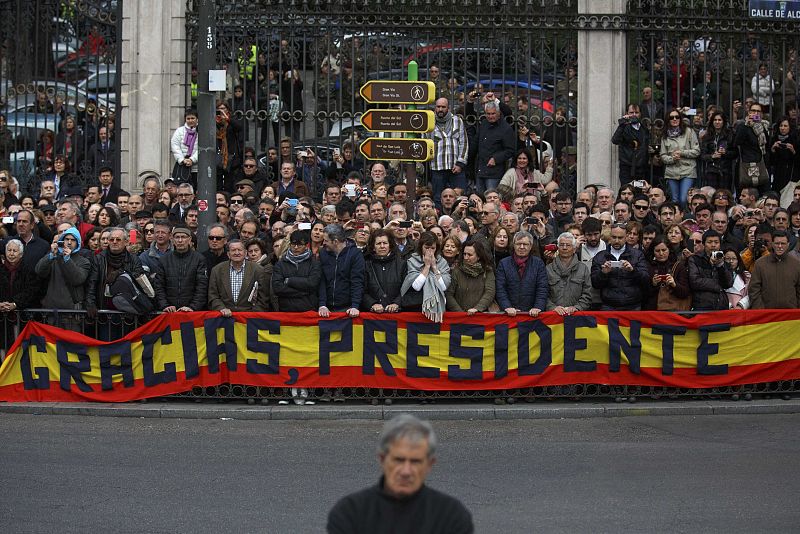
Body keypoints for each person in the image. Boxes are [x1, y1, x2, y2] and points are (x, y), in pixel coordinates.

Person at [326, 414, 473, 534]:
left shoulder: (452, 516)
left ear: (429, 465)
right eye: (398, 460)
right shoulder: (350, 513)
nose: (406, 471)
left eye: (415, 461)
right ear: (382, 459)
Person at [35, 227, 91, 327]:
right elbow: (39, 271)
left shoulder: (83, 262)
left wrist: (67, 259)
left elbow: (77, 279)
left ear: (78, 243)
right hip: (51, 312)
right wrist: (51, 255)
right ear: (62, 241)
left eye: (73, 240)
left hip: (72, 313)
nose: (69, 242)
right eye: (66, 239)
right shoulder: (53, 257)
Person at [590, 223, 650, 311]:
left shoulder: (637, 255)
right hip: (609, 305)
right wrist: (603, 273)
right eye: (614, 237)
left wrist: (633, 270)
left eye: (620, 238)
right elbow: (595, 284)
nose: (617, 241)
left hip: (633, 305)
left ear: (626, 237)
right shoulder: (600, 256)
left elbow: (646, 279)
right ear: (610, 237)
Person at [153, 225, 208, 313]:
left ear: (189, 239)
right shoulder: (164, 260)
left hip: (191, 311)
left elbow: (202, 287)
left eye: (183, 237)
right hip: (170, 311)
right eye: (177, 237)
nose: (180, 240)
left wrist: (193, 307)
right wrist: (165, 305)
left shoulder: (199, 259)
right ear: (172, 240)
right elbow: (159, 286)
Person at [208, 239, 270, 315]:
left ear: (245, 253)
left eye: (239, 250)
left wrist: (253, 314)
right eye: (233, 250)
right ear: (228, 254)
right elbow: (213, 295)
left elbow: (263, 298)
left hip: (249, 317)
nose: (237, 253)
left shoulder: (258, 270)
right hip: (224, 316)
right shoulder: (217, 270)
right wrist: (221, 308)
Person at [400, 231, 451, 322]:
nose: (430, 251)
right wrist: (427, 266)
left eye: (433, 248)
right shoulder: (412, 261)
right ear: (421, 247)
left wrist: (434, 267)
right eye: (427, 248)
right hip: (415, 308)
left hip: (436, 311)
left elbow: (443, 287)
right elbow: (416, 286)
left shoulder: (442, 262)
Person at [427, 97, 468, 207]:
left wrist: (460, 163)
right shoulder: (429, 122)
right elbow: (425, 142)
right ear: (435, 108)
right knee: (438, 198)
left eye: (443, 107)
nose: (440, 109)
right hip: (437, 167)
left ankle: (459, 216)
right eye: (438, 107)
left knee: (459, 197)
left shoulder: (457, 121)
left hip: (455, 167)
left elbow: (464, 143)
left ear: (448, 108)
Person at [495, 230, 548, 317]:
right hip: (509, 314)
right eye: (518, 244)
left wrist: (538, 307)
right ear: (514, 245)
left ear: (530, 246)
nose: (522, 247)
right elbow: (500, 288)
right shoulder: (503, 263)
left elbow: (542, 288)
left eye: (525, 244)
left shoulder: (538, 263)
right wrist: (507, 306)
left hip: (533, 314)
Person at [318, 224, 364, 318]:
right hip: (326, 308)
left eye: (326, 240)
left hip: (348, 308)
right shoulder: (323, 253)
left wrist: (355, 306)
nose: (323, 243)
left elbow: (357, 281)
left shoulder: (355, 254)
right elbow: (321, 280)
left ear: (335, 241)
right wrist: (322, 304)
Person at [0, 239, 39, 348]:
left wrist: (14, 304)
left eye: (14, 251)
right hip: (2, 318)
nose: (11, 253)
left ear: (21, 254)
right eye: (9, 250)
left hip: (20, 317)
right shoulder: (1, 269)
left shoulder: (28, 270)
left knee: (19, 347)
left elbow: (30, 291)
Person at [471, 100, 515, 192]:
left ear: (498, 113)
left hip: (494, 172)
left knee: (491, 196)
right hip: (480, 170)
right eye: (488, 114)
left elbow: (510, 150)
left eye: (493, 113)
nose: (490, 116)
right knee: (479, 196)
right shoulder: (484, 124)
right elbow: (475, 143)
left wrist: (496, 159)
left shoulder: (506, 128)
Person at [272, 229, 321, 312]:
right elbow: (277, 288)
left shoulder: (314, 263)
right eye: (293, 244)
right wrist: (304, 292)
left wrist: (289, 281)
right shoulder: (281, 264)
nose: (296, 247)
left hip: (309, 309)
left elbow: (312, 283)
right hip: (286, 310)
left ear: (306, 245)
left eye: (300, 245)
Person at [749, 230, 800, 308]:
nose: (780, 246)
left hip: (790, 313)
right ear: (772, 244)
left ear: (788, 244)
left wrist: (796, 310)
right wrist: (760, 310)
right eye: (777, 243)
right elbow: (754, 290)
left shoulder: (796, 264)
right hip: (767, 313)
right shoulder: (760, 264)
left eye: (783, 243)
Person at [660, 110, 700, 208]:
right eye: (671, 117)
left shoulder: (689, 132)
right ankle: (676, 217)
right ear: (668, 120)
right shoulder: (665, 135)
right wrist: (672, 159)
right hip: (671, 172)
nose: (674, 119)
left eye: (677, 117)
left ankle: (685, 215)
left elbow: (697, 151)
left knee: (683, 199)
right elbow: (663, 155)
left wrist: (682, 153)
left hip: (687, 170)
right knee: (674, 200)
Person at [545, 232, 592, 315]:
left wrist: (577, 307)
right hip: (553, 316)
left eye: (568, 245)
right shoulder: (548, 269)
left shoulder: (583, 269)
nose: (564, 248)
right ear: (557, 248)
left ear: (574, 249)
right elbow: (543, 293)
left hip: (576, 316)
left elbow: (587, 293)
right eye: (561, 245)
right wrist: (553, 307)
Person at [687, 229, 734, 311]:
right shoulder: (695, 259)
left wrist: (720, 266)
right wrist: (717, 285)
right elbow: (695, 281)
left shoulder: (725, 263)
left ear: (720, 244)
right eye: (710, 242)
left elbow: (728, 283)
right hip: (701, 305)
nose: (713, 245)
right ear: (704, 244)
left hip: (721, 305)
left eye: (716, 242)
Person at [445, 239, 496, 315]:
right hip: (459, 316)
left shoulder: (487, 271)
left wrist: (477, 308)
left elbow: (489, 292)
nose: (466, 257)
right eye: (464, 254)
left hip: (480, 315)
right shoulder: (457, 271)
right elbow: (449, 294)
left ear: (478, 256)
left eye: (469, 255)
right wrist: (461, 313)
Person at [362, 229, 406, 313]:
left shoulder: (402, 264)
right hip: (373, 315)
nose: (382, 246)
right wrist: (372, 304)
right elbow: (362, 290)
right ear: (373, 247)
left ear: (390, 245)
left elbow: (406, 289)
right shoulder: (366, 265)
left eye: (385, 243)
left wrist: (397, 303)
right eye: (378, 243)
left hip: (397, 314)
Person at [644, 236, 690, 311]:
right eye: (657, 251)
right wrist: (653, 284)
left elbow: (685, 293)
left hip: (673, 310)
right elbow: (643, 294)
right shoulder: (648, 266)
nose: (661, 253)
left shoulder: (678, 266)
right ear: (653, 251)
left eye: (664, 250)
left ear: (669, 250)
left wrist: (674, 285)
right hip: (652, 310)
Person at [612, 103, 650, 185]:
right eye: (631, 112)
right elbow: (615, 140)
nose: (634, 115)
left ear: (640, 114)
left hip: (641, 167)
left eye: (636, 112)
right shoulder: (624, 127)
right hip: (627, 167)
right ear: (627, 113)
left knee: (639, 189)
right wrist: (622, 125)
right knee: (627, 189)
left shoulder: (644, 128)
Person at [170, 108, 199, 187]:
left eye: (192, 118)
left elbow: (202, 148)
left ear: (197, 119)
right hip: (183, 166)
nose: (190, 120)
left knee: (196, 188)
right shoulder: (179, 131)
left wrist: (192, 159)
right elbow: (175, 145)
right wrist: (182, 160)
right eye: (188, 118)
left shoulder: (201, 131)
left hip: (196, 167)